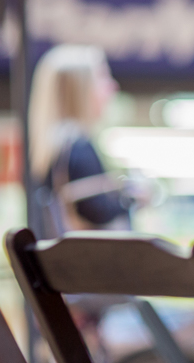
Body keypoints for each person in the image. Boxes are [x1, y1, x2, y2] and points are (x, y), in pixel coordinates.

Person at [29, 44, 130, 237]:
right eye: (102, 78)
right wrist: (130, 200)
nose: (112, 86)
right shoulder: (78, 147)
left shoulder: (52, 147)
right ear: (80, 89)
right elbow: (96, 212)